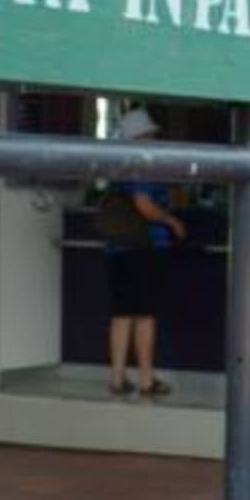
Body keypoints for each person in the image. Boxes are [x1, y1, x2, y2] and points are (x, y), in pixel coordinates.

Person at [102, 108, 185, 399]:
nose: (154, 139)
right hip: (144, 246)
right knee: (145, 315)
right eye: (151, 134)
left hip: (117, 247)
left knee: (122, 313)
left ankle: (117, 377)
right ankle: (146, 379)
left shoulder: (119, 166)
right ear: (142, 137)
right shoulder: (142, 165)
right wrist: (171, 221)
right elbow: (144, 204)